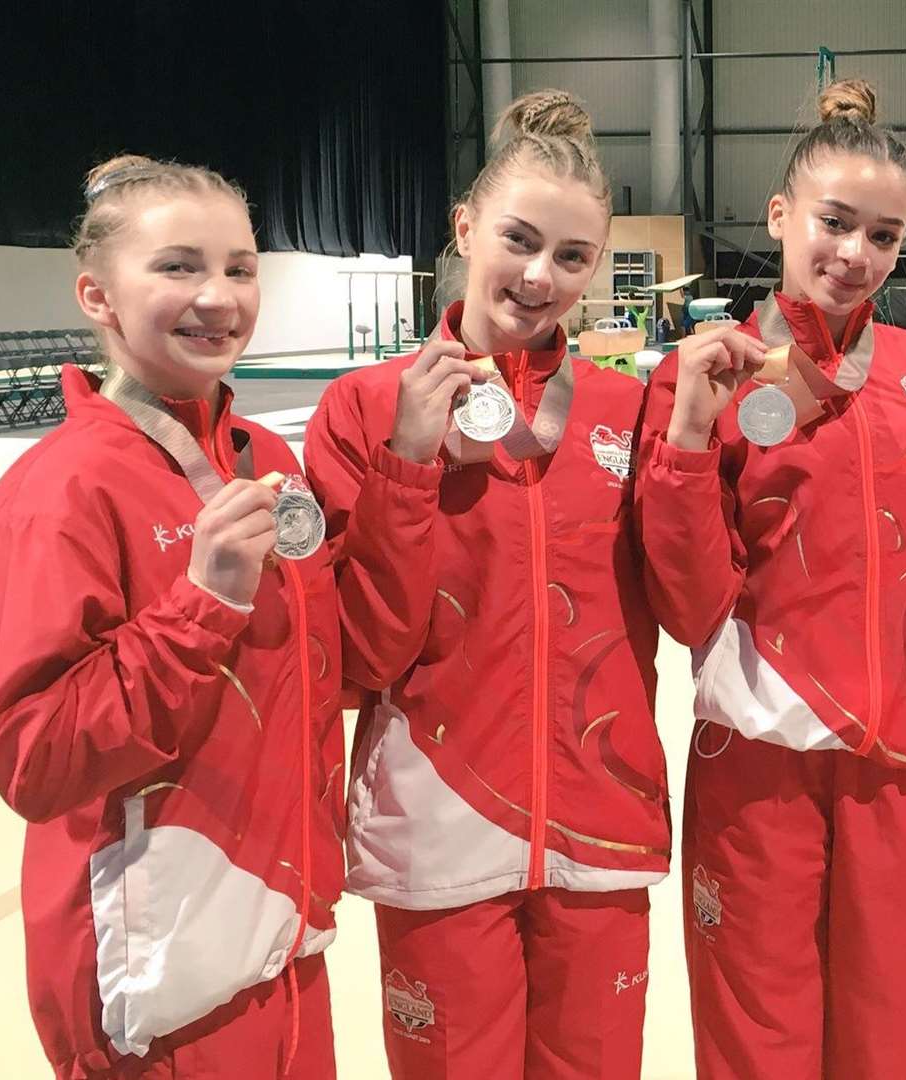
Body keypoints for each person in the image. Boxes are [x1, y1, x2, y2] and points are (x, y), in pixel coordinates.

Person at [306, 91, 667, 1079]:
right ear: (465, 227)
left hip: (600, 821)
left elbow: (689, 604)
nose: (541, 275)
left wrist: (687, 451)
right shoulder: (363, 407)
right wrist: (409, 462)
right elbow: (361, 656)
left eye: (573, 257)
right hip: (439, 828)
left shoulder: (628, 410)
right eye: (519, 238)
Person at [635, 78, 906, 1079]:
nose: (855, 254)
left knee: (879, 1038)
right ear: (780, 216)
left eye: (885, 234)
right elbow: (687, 603)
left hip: (900, 763)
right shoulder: (705, 375)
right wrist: (694, 432)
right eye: (835, 223)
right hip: (757, 757)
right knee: (757, 1039)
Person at [0, 155, 344, 1077]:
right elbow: (35, 758)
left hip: (279, 936)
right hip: (153, 984)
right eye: (178, 267)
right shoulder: (58, 493)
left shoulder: (267, 460)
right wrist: (203, 604)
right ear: (96, 295)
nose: (218, 295)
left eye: (240, 267)